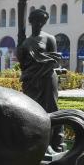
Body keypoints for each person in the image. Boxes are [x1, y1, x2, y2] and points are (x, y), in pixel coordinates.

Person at [16, 9, 64, 152]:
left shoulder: (50, 39)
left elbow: (55, 61)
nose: (40, 23)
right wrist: (21, 50)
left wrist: (41, 62)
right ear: (31, 21)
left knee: (51, 109)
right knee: (31, 111)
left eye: (43, 21)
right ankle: (33, 141)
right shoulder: (25, 42)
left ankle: (53, 142)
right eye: (37, 20)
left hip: (47, 78)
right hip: (31, 80)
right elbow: (23, 64)